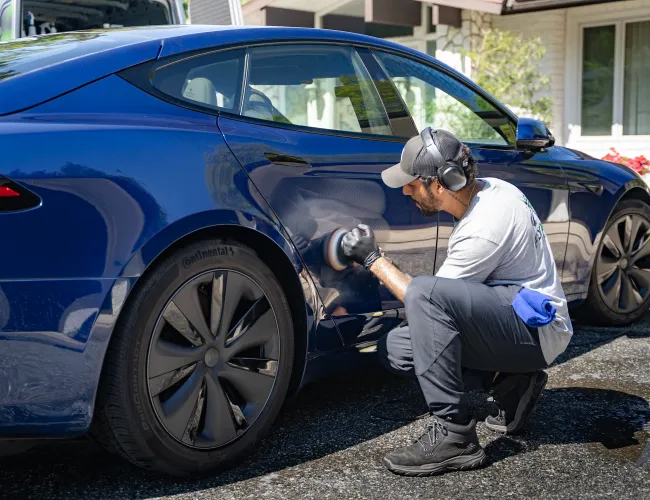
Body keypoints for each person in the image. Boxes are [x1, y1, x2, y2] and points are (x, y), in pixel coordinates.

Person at [339, 127, 573, 477]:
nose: (405, 190)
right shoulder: (491, 190)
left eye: (412, 183)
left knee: (424, 293)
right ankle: (514, 381)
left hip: (536, 330)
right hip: (514, 316)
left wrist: (373, 258)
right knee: (399, 348)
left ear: (442, 183)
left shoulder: (484, 227)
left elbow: (426, 300)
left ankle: (455, 435)